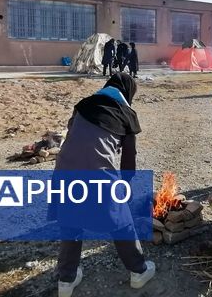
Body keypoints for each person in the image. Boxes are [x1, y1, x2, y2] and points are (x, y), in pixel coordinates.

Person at [52, 73, 155, 296]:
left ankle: (66, 281)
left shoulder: (84, 104)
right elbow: (129, 161)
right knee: (121, 221)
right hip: (98, 174)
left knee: (71, 221)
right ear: (128, 92)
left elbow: (74, 134)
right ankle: (138, 271)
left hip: (65, 169)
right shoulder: (126, 114)